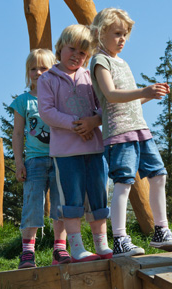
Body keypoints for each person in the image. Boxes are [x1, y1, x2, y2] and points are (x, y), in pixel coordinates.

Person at [89, 8, 172, 257]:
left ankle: (161, 230)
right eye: (117, 33)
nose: (122, 39)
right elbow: (110, 95)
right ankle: (119, 238)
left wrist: (149, 96)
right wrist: (144, 91)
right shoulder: (100, 61)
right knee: (124, 182)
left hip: (141, 130)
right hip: (119, 133)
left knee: (159, 175)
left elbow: (128, 101)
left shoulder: (122, 62)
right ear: (100, 34)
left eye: (125, 34)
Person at [38, 24, 112, 263]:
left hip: (95, 148)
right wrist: (76, 123)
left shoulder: (90, 76)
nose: (76, 56)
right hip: (66, 153)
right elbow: (47, 112)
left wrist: (93, 121)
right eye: (72, 49)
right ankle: (77, 247)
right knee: (72, 199)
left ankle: (102, 245)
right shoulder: (47, 79)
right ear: (60, 48)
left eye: (82, 53)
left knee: (99, 196)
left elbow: (104, 104)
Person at [12, 49, 71, 269]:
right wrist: (19, 163)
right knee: (32, 205)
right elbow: (17, 134)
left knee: (60, 205)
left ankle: (60, 248)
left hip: (60, 157)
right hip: (34, 161)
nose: (38, 72)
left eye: (43, 68)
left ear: (53, 70)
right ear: (28, 72)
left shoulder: (59, 97)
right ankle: (27, 252)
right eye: (33, 68)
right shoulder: (23, 101)